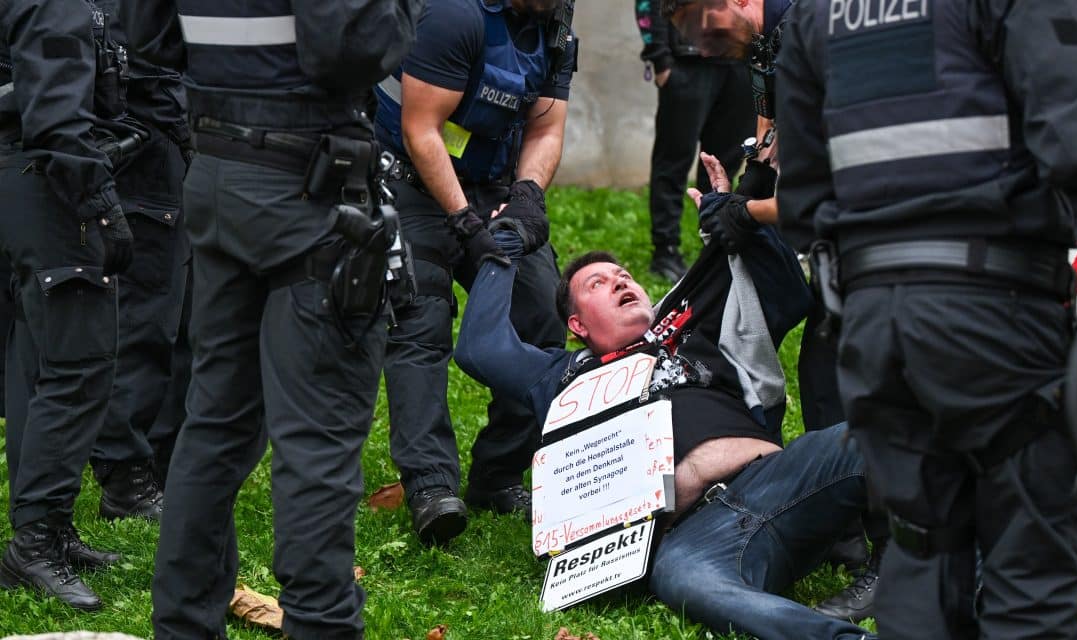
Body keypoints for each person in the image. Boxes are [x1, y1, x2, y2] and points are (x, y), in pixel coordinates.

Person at [776, 0, 1077, 637]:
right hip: (996, 318)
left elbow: (806, 198)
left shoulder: (815, 11)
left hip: (876, 335)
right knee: (1030, 576)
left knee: (921, 562)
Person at [452, 156, 875, 640]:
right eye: (598, 283)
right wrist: (502, 248)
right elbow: (480, 348)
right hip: (693, 537)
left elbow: (785, 292)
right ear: (577, 326)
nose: (620, 281)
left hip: (782, 482)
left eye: (624, 275)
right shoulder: (559, 377)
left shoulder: (686, 325)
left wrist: (739, 216)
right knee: (687, 583)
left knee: (889, 437)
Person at [119, 1, 422, 637]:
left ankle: (182, 626)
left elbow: (149, 39)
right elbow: (351, 46)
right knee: (316, 440)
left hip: (219, 178)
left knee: (215, 424)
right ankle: (321, 625)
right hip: (304, 193)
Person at [662, 0, 887, 620]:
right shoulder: (765, 43)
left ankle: (897, 559)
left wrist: (750, 213)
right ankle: (846, 525)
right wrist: (739, 192)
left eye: (702, 32)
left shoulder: (814, 31)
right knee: (823, 373)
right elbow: (771, 139)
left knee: (858, 381)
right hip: (850, 242)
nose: (703, 51)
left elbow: (833, 186)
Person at [371, 0, 577, 544]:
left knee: (540, 309)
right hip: (411, 180)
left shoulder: (554, 25)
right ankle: (430, 485)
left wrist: (528, 196)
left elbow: (547, 127)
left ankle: (500, 474)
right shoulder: (452, 16)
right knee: (421, 317)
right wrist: (463, 220)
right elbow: (421, 128)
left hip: (494, 188)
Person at [0, 0, 139, 611]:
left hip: (17, 172)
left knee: (34, 362)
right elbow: (55, 112)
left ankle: (46, 527)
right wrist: (102, 202)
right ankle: (35, 542)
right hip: (47, 177)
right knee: (79, 366)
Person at [86, 0, 192, 522]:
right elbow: (142, 55)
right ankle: (125, 475)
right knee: (147, 310)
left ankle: (157, 463)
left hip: (164, 138)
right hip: (143, 142)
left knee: (177, 311)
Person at [635, 0, 754, 283]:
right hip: (687, 63)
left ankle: (715, 242)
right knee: (673, 161)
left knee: (724, 165)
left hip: (740, 64)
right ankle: (665, 250)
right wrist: (660, 59)